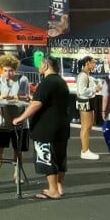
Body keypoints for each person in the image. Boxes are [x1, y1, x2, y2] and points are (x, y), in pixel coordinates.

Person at [13, 56, 70, 200]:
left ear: (45, 65)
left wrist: (20, 118)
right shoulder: (61, 82)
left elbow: (36, 103)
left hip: (46, 127)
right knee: (60, 157)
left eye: (40, 64)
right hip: (62, 125)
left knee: (47, 158)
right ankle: (58, 186)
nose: (39, 67)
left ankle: (53, 190)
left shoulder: (46, 82)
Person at [0, 55, 30, 184]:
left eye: (10, 70)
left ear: (15, 69)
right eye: (5, 70)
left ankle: (17, 175)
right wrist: (2, 96)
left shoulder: (23, 79)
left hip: (19, 120)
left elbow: (27, 97)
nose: (8, 73)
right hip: (2, 121)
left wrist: (16, 97)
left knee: (18, 150)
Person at [74, 56, 101, 160]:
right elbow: (82, 91)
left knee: (88, 126)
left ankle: (85, 149)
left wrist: (95, 89)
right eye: (93, 63)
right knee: (86, 126)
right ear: (87, 63)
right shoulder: (83, 76)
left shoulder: (87, 75)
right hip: (85, 102)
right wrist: (95, 88)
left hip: (88, 102)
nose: (95, 65)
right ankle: (85, 150)